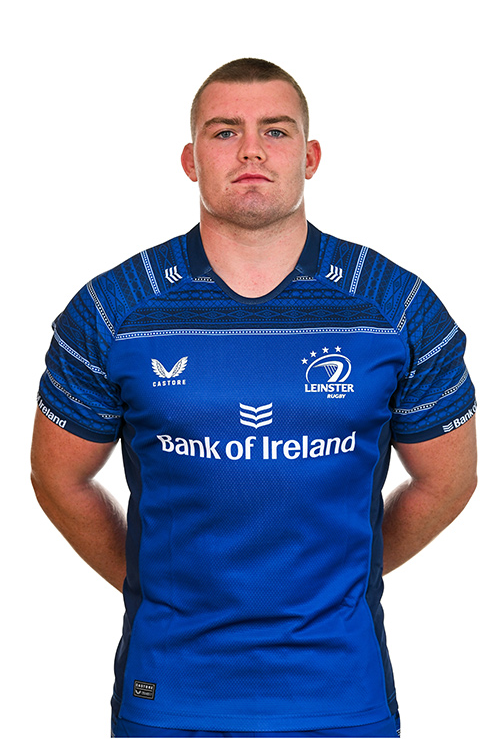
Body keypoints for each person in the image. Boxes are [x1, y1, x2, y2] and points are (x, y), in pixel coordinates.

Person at [30, 58, 477, 738]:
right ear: (190, 160)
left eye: (275, 130)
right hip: (168, 697)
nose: (250, 151)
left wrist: (340, 579)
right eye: (223, 132)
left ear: (310, 155)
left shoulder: (398, 306)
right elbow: (58, 478)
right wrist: (152, 582)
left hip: (341, 699)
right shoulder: (112, 309)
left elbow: (448, 481)